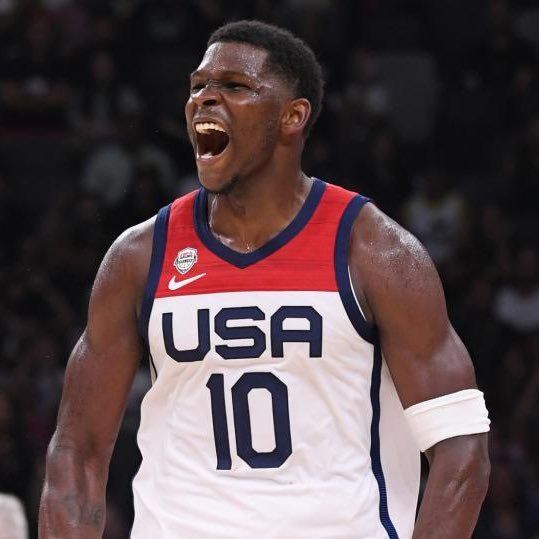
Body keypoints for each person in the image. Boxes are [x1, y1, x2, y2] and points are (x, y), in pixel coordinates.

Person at [39, 20, 490, 538]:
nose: (205, 99)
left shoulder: (375, 252)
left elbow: (462, 450)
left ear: (292, 116)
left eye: (234, 86)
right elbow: (76, 451)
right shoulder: (139, 257)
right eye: (197, 87)